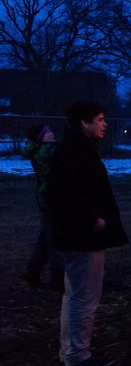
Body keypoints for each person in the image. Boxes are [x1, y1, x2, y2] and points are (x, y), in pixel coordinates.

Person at [47, 100, 128, 366]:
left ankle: (71, 350)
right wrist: (93, 220)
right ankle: (77, 354)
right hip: (83, 236)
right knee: (84, 295)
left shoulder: (74, 151)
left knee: (76, 293)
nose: (105, 124)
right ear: (85, 122)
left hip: (76, 235)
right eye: (100, 119)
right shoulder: (75, 153)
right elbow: (68, 194)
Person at [21, 124, 64, 290]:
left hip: (48, 197)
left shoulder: (42, 150)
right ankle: (57, 278)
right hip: (52, 198)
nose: (52, 133)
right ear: (41, 137)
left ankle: (33, 271)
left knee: (46, 236)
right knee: (54, 239)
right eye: (47, 132)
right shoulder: (46, 151)